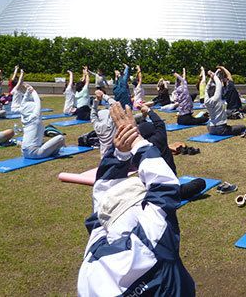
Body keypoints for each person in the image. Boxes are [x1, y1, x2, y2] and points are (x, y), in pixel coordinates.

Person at [77, 104, 196, 296]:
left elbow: (101, 205)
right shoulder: (150, 243)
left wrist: (120, 154)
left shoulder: (91, 262)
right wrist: (135, 142)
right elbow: (164, 186)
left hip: (142, 166)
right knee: (194, 185)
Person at [19, 85, 65, 158]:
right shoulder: (35, 117)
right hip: (35, 153)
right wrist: (32, 90)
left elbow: (23, 104)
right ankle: (52, 152)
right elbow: (38, 102)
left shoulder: (23, 118)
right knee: (60, 138)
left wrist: (28, 91)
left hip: (24, 153)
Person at [205, 71, 246, 137]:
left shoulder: (206, 101)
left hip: (211, 129)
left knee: (208, 125)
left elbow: (206, 88)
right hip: (221, 129)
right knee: (242, 127)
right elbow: (218, 84)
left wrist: (211, 77)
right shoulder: (216, 98)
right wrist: (214, 74)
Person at [91, 90, 118, 157]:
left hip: (103, 155)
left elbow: (93, 114)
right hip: (114, 154)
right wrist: (103, 95)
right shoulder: (110, 123)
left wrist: (97, 100)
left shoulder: (96, 126)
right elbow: (115, 105)